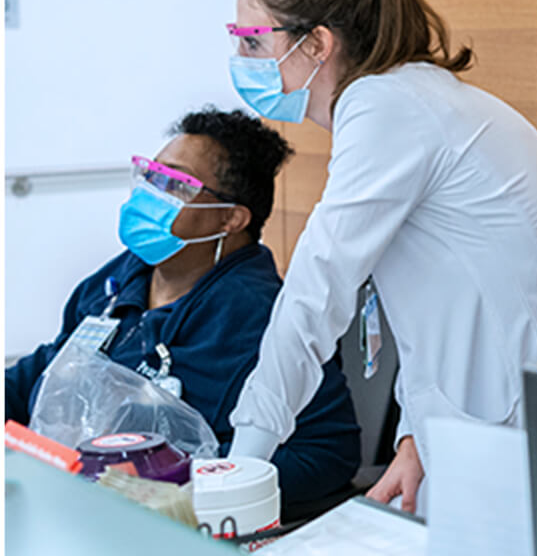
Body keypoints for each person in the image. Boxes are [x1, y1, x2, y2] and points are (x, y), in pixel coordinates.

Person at [224, 0, 537, 513]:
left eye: (251, 42)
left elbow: (314, 291)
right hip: (513, 417)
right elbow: (434, 303)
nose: (239, 61)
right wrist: (414, 434)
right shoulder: (406, 100)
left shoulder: (386, 108)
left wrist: (246, 457)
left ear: (316, 44)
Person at [5, 108, 361, 509]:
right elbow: (50, 370)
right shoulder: (119, 281)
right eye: (150, 175)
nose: (149, 193)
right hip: (74, 506)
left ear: (230, 217)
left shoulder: (263, 319)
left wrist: (184, 486)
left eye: (174, 184)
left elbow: (327, 453)